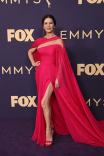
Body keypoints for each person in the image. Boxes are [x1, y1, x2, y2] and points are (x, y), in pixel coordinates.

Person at [28, 14, 104, 147]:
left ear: (54, 25)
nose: (48, 25)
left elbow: (62, 62)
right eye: (46, 23)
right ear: (43, 26)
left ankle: (48, 131)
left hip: (52, 74)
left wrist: (58, 77)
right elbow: (30, 51)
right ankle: (50, 124)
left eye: (50, 23)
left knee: (44, 101)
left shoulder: (59, 41)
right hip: (40, 74)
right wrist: (34, 63)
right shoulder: (39, 41)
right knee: (46, 102)